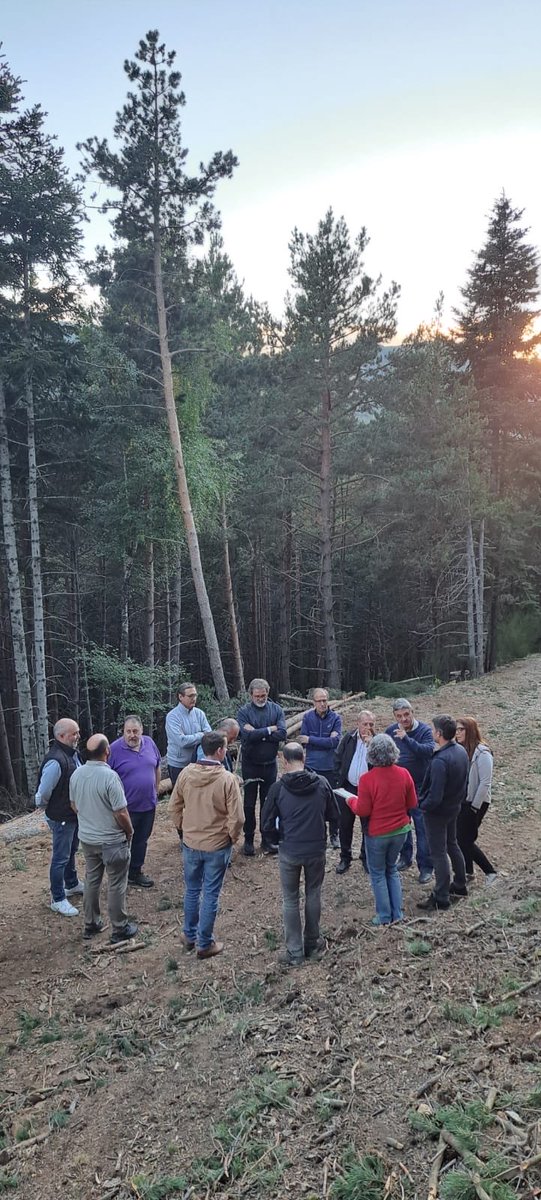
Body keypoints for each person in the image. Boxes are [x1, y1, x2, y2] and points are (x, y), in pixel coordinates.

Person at [261, 742, 339, 965]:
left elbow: (265, 823)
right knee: (313, 893)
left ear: (284, 761)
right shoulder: (322, 783)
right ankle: (313, 943)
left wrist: (278, 840)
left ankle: (294, 952)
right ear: (303, 758)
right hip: (316, 848)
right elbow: (335, 814)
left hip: (290, 849)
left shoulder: (278, 789)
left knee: (290, 900)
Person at [168, 730, 244, 959]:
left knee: (192, 890)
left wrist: (183, 829)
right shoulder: (227, 779)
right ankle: (205, 943)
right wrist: (232, 837)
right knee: (210, 893)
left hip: (191, 842)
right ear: (220, 751)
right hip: (217, 845)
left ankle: (190, 936)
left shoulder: (186, 773)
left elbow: (173, 807)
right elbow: (238, 818)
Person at [69, 735, 138, 944]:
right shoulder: (110, 777)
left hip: (88, 840)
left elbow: (74, 805)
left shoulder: (77, 774)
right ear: (107, 751)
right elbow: (121, 812)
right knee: (116, 883)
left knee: (91, 880)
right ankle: (120, 928)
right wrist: (129, 831)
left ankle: (91, 924)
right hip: (111, 841)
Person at [347, 734, 417, 925]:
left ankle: (384, 916)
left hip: (378, 833)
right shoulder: (404, 773)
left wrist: (350, 800)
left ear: (372, 755)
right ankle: (398, 914)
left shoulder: (367, 779)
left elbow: (362, 810)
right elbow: (412, 802)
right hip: (401, 830)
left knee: (377, 873)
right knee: (392, 869)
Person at [416, 715, 469, 912]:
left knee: (438, 853)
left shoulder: (440, 760)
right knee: (452, 844)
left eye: (433, 729)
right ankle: (461, 884)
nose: (431, 732)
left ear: (439, 733)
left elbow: (434, 797)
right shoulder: (460, 751)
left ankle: (441, 896)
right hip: (454, 808)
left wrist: (422, 805)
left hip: (437, 814)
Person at [35, 717, 83, 916]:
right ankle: (57, 898)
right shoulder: (56, 760)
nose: (78, 736)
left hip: (72, 816)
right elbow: (43, 793)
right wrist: (48, 807)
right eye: (74, 733)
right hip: (62, 816)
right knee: (60, 858)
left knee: (71, 851)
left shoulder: (71, 754)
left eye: (78, 732)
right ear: (62, 736)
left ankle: (71, 884)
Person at [108, 715, 161, 888]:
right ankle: (118, 876)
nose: (132, 735)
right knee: (121, 842)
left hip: (148, 805)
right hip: (125, 808)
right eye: (128, 731)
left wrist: (155, 790)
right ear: (123, 731)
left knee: (141, 840)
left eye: (135, 731)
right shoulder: (113, 749)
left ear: (141, 731)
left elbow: (157, 766)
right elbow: (106, 777)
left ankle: (135, 873)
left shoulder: (150, 743)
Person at [385, 699, 434, 884]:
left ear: (412, 712)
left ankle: (426, 867)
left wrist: (406, 738)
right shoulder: (390, 731)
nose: (404, 719)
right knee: (402, 826)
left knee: (422, 828)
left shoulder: (424, 730)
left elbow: (428, 751)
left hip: (420, 786)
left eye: (407, 714)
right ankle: (405, 858)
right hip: (399, 787)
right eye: (399, 716)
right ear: (394, 716)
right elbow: (386, 753)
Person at [237, 678, 287, 856]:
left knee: (269, 804)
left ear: (268, 693)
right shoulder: (244, 711)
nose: (260, 698)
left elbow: (282, 733)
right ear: (251, 695)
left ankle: (267, 839)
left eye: (263, 695)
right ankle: (248, 839)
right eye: (257, 696)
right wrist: (268, 730)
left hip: (270, 764)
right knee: (249, 804)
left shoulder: (276, 709)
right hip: (250, 764)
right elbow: (245, 736)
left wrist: (257, 732)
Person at [455, 717, 497, 884]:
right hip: (465, 801)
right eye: (457, 730)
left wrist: (474, 807)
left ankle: (490, 873)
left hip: (477, 802)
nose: (457, 733)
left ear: (470, 730)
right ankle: (468, 872)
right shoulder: (463, 750)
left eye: (461, 729)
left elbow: (485, 782)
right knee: (461, 838)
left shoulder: (483, 753)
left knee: (465, 839)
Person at [299, 688, 342, 849]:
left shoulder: (336, 718)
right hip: (312, 766)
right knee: (313, 802)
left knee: (334, 802)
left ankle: (334, 834)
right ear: (313, 702)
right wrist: (323, 741)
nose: (323, 703)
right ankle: (317, 834)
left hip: (331, 767)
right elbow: (303, 741)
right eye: (319, 700)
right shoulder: (308, 717)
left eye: (325, 700)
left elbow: (334, 743)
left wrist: (312, 739)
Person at [334, 710, 375, 875]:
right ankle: (345, 857)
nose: (368, 727)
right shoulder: (349, 738)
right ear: (358, 723)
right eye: (365, 724)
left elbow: (381, 764)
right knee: (345, 824)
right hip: (348, 787)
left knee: (367, 825)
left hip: (367, 791)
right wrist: (338, 779)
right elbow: (337, 757)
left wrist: (371, 745)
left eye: (371, 724)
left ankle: (365, 857)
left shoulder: (377, 741)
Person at [165, 683, 211, 786]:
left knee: (196, 797)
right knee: (181, 799)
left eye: (195, 695)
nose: (194, 698)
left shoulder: (200, 714)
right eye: (190, 696)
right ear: (180, 697)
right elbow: (182, 741)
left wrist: (202, 735)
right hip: (178, 765)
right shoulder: (172, 717)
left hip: (197, 764)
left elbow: (209, 736)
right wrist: (201, 735)